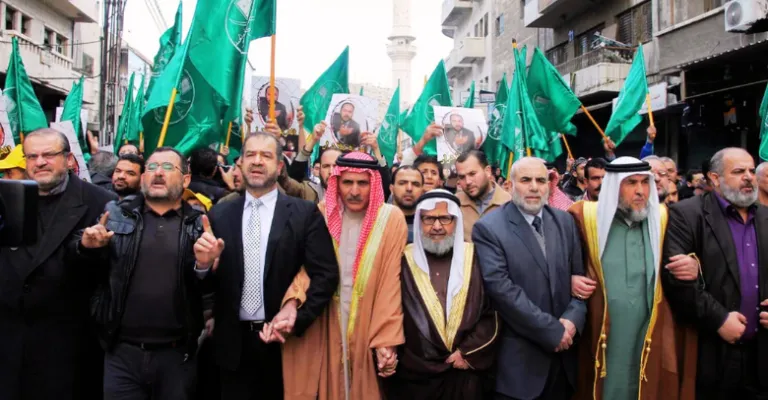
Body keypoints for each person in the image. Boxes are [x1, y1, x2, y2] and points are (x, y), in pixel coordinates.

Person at [192, 132, 339, 399]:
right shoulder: (219, 214)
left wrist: (298, 319)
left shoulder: (304, 213)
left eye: (266, 155)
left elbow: (326, 275)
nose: (257, 161)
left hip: (286, 346)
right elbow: (208, 285)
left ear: (280, 166)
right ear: (240, 163)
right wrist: (203, 265)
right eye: (250, 154)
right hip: (232, 350)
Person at [74, 147, 209, 400]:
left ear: (186, 179)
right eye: (152, 167)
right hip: (122, 355)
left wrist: (205, 265)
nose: (158, 173)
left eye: (167, 167)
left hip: (176, 356)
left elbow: (209, 289)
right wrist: (87, 247)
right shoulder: (114, 214)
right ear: (144, 177)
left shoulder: (199, 225)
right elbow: (86, 268)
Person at [278, 152, 407, 400]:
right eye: (347, 182)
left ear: (374, 183)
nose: (354, 191)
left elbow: (390, 282)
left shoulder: (391, 219)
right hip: (328, 316)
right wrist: (292, 302)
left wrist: (386, 337)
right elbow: (308, 268)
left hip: (369, 316)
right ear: (336, 182)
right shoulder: (321, 213)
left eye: (362, 183)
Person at [0, 128, 117, 400]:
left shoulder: (100, 202)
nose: (40, 162)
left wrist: (89, 250)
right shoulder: (6, 197)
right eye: (32, 156)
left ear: (68, 158)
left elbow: (111, 273)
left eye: (49, 155)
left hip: (68, 346)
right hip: (9, 344)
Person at [568, 157, 697, 400]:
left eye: (645, 182)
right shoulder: (583, 218)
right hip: (601, 333)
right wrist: (570, 279)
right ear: (613, 186)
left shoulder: (664, 218)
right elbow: (559, 262)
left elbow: (694, 255)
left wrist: (693, 265)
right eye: (631, 183)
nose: (640, 191)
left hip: (649, 330)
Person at [473, 157, 586, 400]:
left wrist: (572, 320)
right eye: (526, 180)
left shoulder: (565, 221)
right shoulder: (489, 228)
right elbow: (502, 290)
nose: (534, 187)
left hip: (564, 362)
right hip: (520, 369)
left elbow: (579, 282)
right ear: (510, 185)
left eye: (540, 180)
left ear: (549, 185)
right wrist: (552, 331)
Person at [663, 148, 768, 400]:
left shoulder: (766, 216)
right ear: (715, 178)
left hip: (762, 355)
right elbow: (677, 280)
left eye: (751, 170)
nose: (749, 177)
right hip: (712, 350)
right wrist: (719, 319)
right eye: (739, 171)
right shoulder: (687, 214)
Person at [385, 189, 498, 399]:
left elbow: (492, 312)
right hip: (416, 376)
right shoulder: (403, 260)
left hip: (464, 372)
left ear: (456, 221)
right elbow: (390, 311)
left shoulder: (475, 257)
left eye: (445, 218)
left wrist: (468, 352)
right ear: (419, 222)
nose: (437, 226)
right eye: (429, 219)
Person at [455, 150, 511, 241]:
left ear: (488, 171)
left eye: (472, 174)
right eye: (462, 177)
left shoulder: (510, 203)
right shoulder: (455, 204)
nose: (468, 181)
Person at [390, 165, 425, 243]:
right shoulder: (378, 221)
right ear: (391, 189)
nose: (409, 188)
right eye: (402, 183)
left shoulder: (429, 225)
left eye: (416, 184)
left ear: (422, 191)